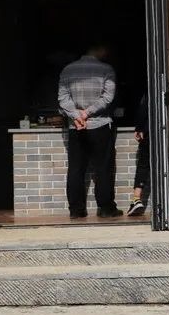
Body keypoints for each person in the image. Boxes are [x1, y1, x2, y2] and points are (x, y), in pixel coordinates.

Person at [57, 43, 122, 218]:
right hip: (100, 125)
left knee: (76, 169)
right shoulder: (106, 69)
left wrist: (76, 115)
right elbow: (108, 97)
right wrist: (87, 113)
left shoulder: (68, 70)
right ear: (99, 49)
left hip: (76, 126)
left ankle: (76, 210)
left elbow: (62, 98)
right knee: (103, 169)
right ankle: (106, 208)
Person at [127, 95, 149, 217]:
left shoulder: (150, 89)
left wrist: (139, 127)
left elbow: (143, 108)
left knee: (143, 165)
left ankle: (136, 198)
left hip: (149, 132)